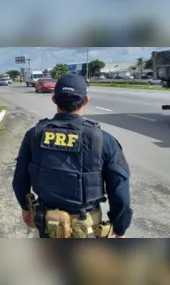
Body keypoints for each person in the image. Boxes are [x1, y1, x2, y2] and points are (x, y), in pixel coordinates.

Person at [12, 73, 133, 238]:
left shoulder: (34, 135)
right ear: (86, 100)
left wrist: (25, 208)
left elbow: (20, 178)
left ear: (54, 99)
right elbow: (119, 190)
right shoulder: (104, 140)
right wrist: (120, 229)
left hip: (46, 229)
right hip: (86, 231)